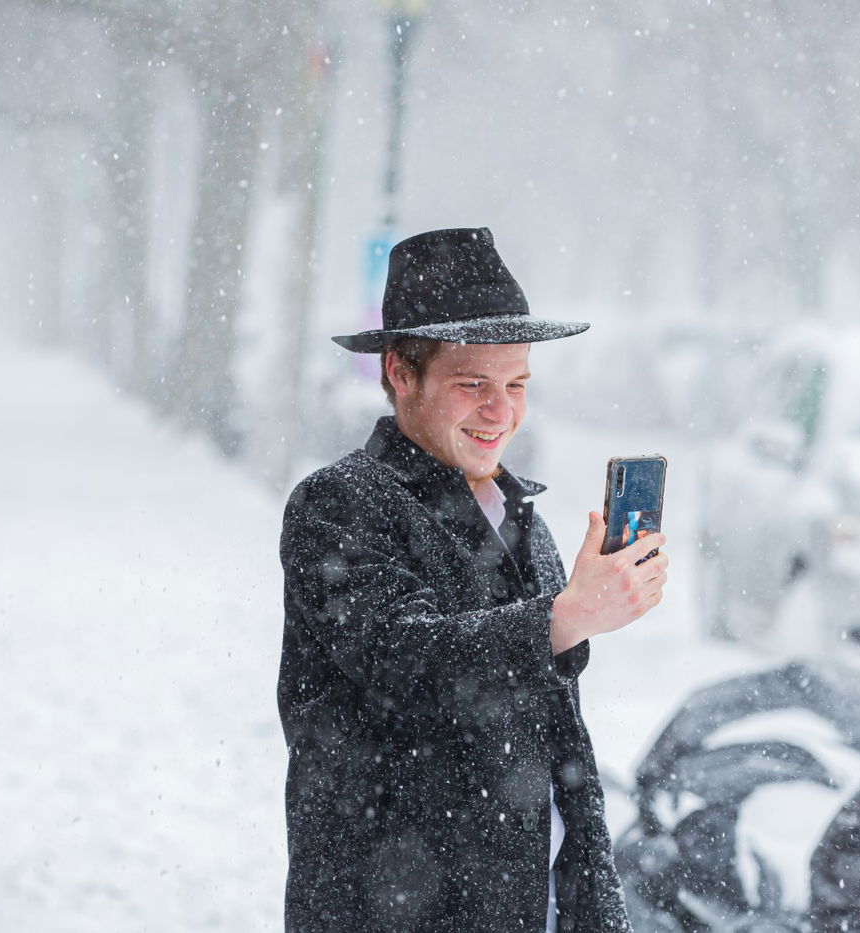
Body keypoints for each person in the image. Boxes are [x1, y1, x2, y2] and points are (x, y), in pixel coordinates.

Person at [278, 227, 668, 932]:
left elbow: (564, 755)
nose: (501, 412)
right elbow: (405, 660)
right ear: (401, 374)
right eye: (472, 385)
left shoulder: (522, 520)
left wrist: (596, 911)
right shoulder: (339, 504)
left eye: (516, 385)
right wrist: (565, 618)